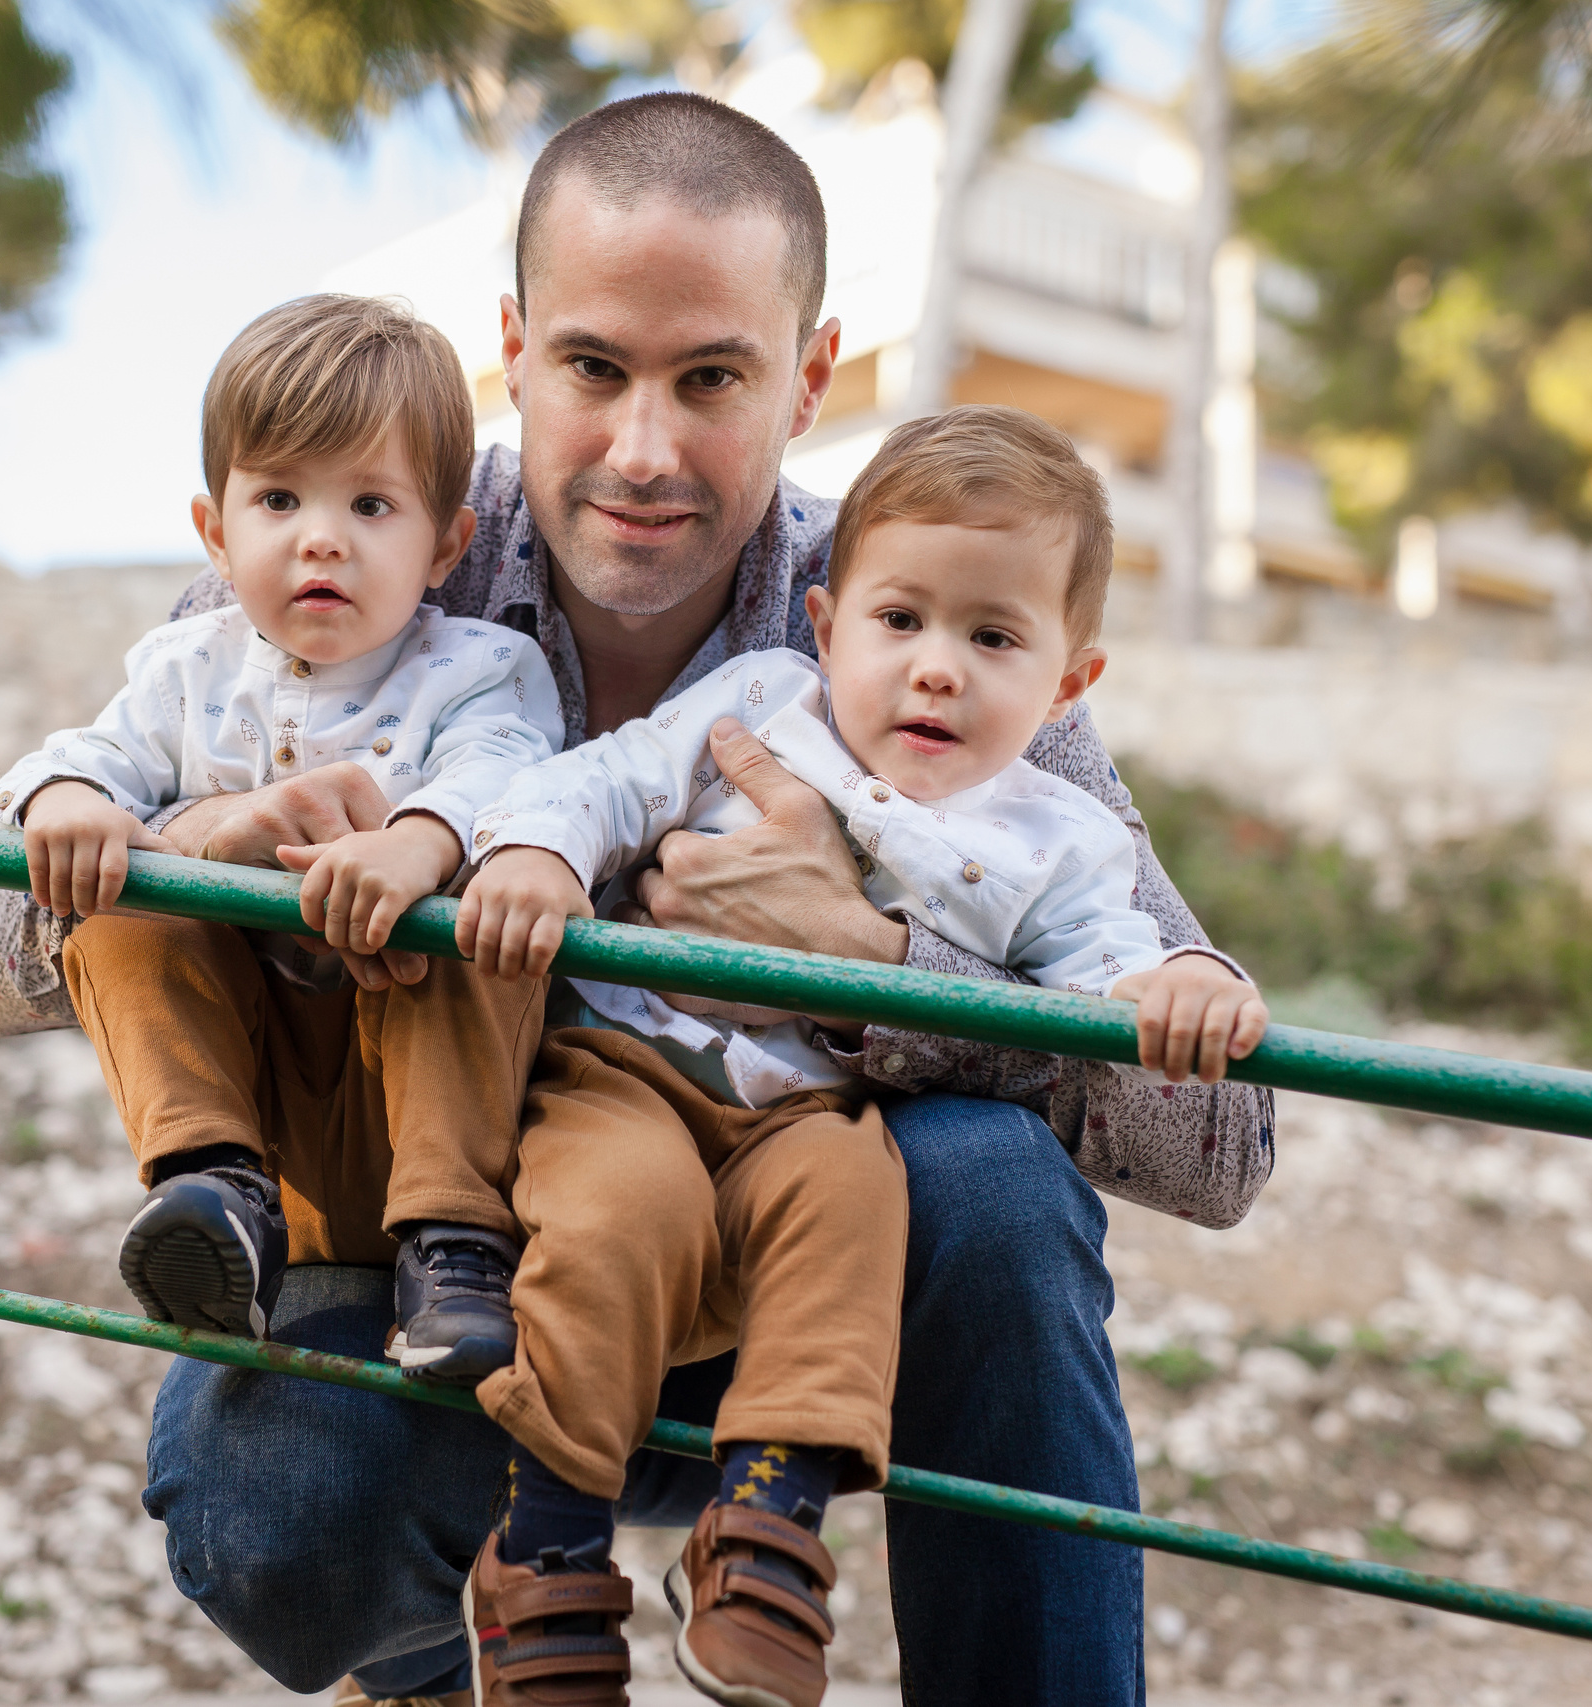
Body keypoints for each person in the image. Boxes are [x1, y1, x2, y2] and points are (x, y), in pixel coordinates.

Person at [0, 91, 1278, 1705]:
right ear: (514, 350)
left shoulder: (935, 616)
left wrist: (880, 967)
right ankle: (449, 1655)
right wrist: (197, 847)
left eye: (711, 377)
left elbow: (1221, 1147)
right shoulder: (356, 535)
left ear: (808, 371)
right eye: (594, 369)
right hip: (453, 1294)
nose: (644, 449)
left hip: (795, 1320)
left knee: (990, 1188)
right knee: (271, 1514)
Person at [445, 405, 1268, 1705]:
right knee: (614, 1215)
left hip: (810, 1113)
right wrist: (539, 848)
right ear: (824, 626)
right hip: (634, 1069)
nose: (937, 667)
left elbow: (1122, 975)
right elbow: (612, 778)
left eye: (992, 638)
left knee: (855, 1212)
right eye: (901, 623)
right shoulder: (770, 704)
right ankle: (544, 1548)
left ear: (1067, 685)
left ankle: (765, 1528)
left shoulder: (1060, 837)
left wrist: (1187, 984)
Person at [0, 295, 561, 1379]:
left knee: (477, 919)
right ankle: (212, 1192)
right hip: (262, 1099)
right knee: (124, 899)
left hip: (413, 1094)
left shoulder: (480, 667)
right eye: (279, 498)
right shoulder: (184, 668)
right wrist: (67, 795)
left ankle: (454, 1252)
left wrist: (422, 841)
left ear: (446, 545)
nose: (321, 536)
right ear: (216, 531)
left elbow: (511, 774)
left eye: (372, 505)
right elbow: (84, 756)